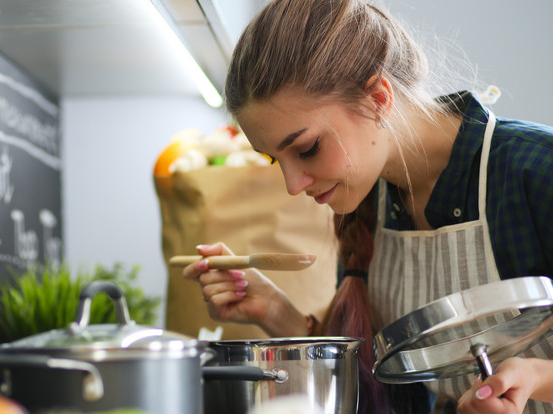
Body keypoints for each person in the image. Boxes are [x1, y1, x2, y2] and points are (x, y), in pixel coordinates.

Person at [180, 0, 553, 413]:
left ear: (378, 98)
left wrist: (537, 377)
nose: (292, 185)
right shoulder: (367, 202)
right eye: (274, 159)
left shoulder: (536, 170)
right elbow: (379, 390)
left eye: (307, 148)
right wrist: (274, 310)